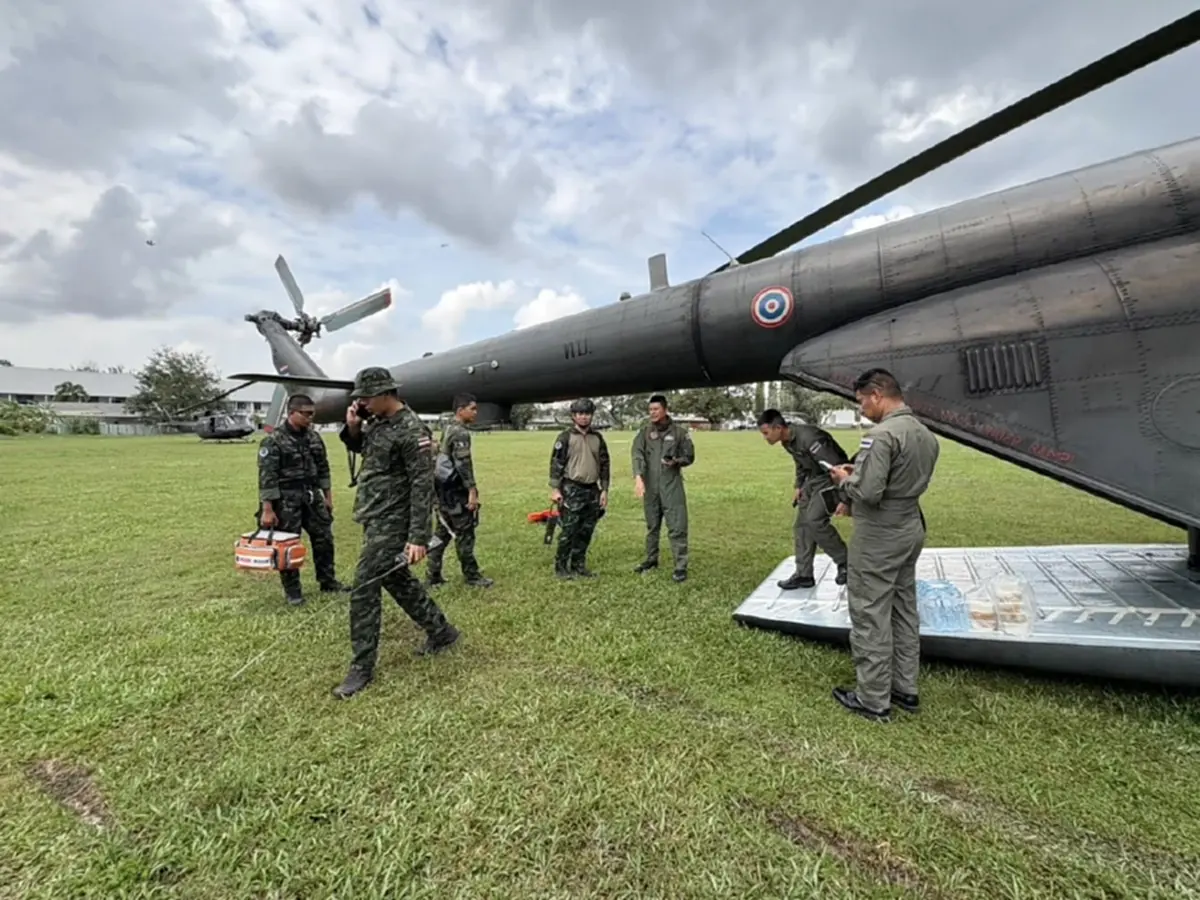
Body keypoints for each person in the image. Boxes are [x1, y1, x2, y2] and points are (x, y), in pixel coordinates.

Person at [332, 366, 460, 699]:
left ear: (386, 394)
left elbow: (422, 486)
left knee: (364, 586)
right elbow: (365, 452)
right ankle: (441, 630)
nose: (362, 403)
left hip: (395, 519)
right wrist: (353, 426)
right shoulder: (377, 424)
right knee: (395, 578)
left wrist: (418, 537)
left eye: (366, 398)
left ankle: (362, 666)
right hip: (374, 515)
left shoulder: (411, 429)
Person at [826, 368, 940, 722]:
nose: (861, 409)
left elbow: (868, 493)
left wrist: (845, 481)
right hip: (910, 525)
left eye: (862, 401)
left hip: (880, 533)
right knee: (904, 608)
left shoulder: (881, 434)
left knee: (870, 611)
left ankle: (873, 698)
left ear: (877, 394)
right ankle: (905, 688)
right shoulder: (924, 433)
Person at [256, 393, 348, 605]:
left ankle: (328, 581)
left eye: (312, 414)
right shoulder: (273, 440)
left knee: (324, 538)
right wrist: (268, 510)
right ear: (291, 413)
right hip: (286, 499)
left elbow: (323, 469)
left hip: (311, 496)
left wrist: (327, 497)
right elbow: (267, 477)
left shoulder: (314, 438)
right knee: (288, 544)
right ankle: (293, 592)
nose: (310, 418)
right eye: (305, 414)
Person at [756, 407, 849, 590]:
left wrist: (845, 498)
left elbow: (837, 468)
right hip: (813, 480)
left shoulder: (809, 438)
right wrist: (799, 486)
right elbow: (801, 463)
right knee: (801, 526)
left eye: (766, 433)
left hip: (830, 479)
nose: (765, 437)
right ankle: (804, 574)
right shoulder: (787, 440)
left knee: (814, 520)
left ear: (778, 428)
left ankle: (846, 563)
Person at [427, 392, 493, 589]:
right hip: (456, 492)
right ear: (460, 410)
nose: (475, 412)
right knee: (465, 533)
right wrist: (472, 491)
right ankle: (472, 576)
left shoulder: (447, 428)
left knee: (441, 533)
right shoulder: (461, 433)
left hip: (442, 490)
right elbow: (463, 465)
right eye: (472, 408)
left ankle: (433, 575)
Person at [631, 393, 695, 582]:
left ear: (665, 410)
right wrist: (638, 477)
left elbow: (690, 456)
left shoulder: (679, 433)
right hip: (651, 486)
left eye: (656, 409)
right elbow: (637, 454)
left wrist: (676, 461)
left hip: (671, 485)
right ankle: (651, 559)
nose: (652, 413)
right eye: (650, 410)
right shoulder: (644, 432)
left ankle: (680, 566)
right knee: (652, 525)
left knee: (677, 526)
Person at [548, 398, 610, 579]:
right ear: (573, 416)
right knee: (569, 530)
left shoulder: (597, 438)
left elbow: (605, 464)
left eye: (587, 414)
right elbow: (556, 464)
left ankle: (578, 565)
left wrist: (604, 489)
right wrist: (555, 489)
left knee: (586, 530)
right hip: (571, 488)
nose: (583, 417)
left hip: (592, 490)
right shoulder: (565, 437)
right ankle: (561, 567)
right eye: (580, 414)